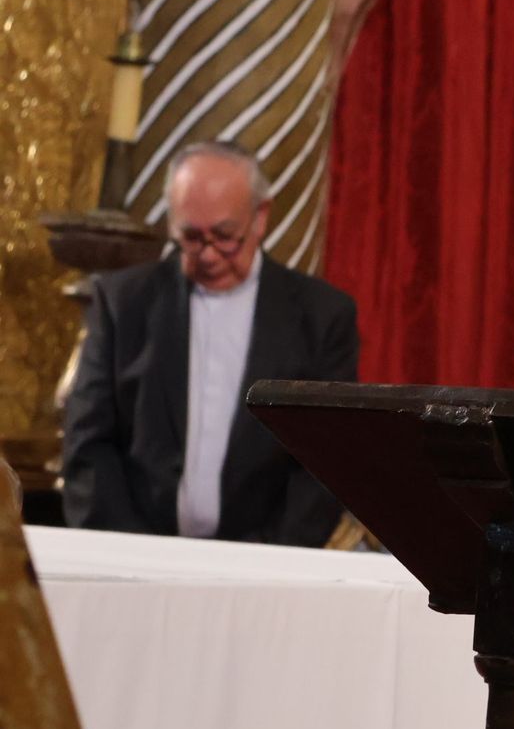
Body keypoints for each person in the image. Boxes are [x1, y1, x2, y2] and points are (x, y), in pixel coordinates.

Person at [61, 141, 358, 546]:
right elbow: (88, 444)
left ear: (260, 218)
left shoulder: (322, 317)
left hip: (265, 569)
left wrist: (269, 560)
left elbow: (330, 461)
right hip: (133, 558)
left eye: (224, 236)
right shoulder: (123, 304)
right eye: (191, 238)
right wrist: (130, 552)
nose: (208, 255)